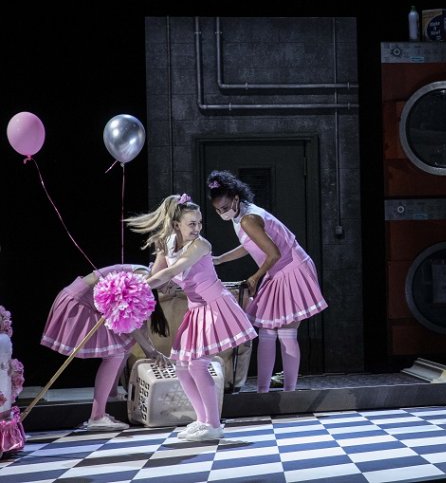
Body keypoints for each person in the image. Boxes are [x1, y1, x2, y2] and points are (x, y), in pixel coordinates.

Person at [128, 194, 257, 441]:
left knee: (197, 364)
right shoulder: (166, 243)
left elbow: (172, 271)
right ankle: (203, 420)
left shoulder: (201, 245)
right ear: (177, 224)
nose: (197, 228)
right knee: (182, 366)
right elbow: (158, 276)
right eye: (192, 224)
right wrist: (145, 286)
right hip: (196, 309)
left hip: (215, 306)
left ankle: (214, 425)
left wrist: (135, 286)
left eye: (199, 223)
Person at [206, 170, 327, 393]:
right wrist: (221, 259)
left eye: (224, 208)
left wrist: (254, 277)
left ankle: (289, 392)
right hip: (277, 272)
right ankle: (263, 391)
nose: (222, 213)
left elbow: (273, 254)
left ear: (235, 199)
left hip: (292, 269)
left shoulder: (249, 219)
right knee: (267, 333)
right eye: (217, 210)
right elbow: (252, 245)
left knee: (286, 332)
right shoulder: (241, 216)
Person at [40, 264, 170, 431]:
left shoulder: (145, 278)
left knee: (123, 348)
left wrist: (151, 350)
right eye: (172, 280)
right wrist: (151, 352)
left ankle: (111, 395)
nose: (173, 287)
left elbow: (136, 324)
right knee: (115, 353)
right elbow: (132, 326)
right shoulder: (142, 278)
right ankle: (97, 416)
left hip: (87, 302)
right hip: (79, 303)